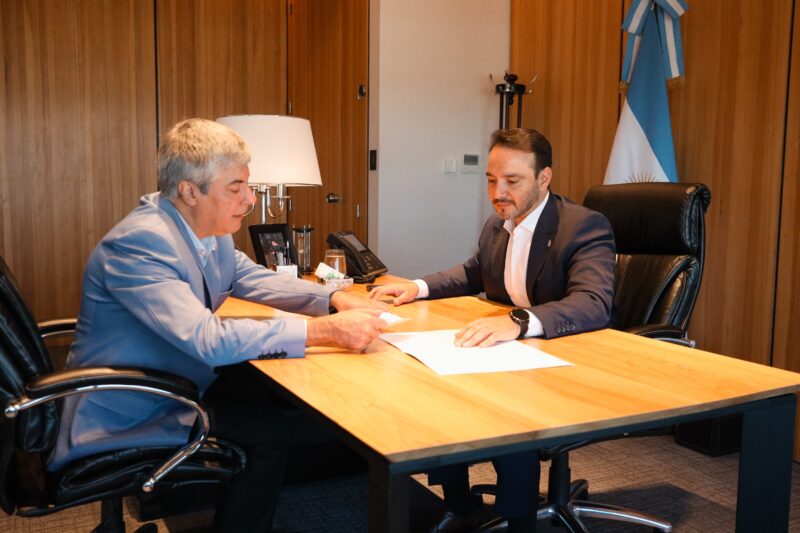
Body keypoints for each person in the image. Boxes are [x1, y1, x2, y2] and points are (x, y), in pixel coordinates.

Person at [48, 118, 388, 532]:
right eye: (235, 188)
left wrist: (333, 298)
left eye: (248, 185)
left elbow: (250, 278)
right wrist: (325, 331)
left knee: (271, 390)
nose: (249, 199)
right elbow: (207, 339)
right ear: (190, 191)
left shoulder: (202, 228)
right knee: (267, 429)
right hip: (131, 405)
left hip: (171, 376)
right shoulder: (141, 243)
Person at [369, 128, 615, 532]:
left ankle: (519, 521)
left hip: (571, 360)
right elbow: (473, 273)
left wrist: (516, 322)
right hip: (520, 354)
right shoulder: (499, 223)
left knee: (506, 408)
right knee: (438, 383)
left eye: (512, 181)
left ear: (544, 178)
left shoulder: (583, 226)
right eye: (491, 180)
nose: (498, 193)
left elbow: (593, 303)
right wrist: (417, 287)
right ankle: (459, 505)